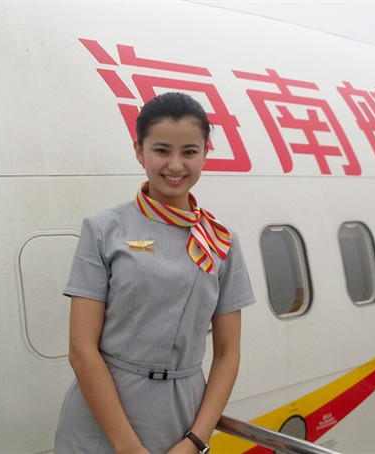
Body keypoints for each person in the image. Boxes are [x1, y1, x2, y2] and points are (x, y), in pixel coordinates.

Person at [54, 92, 256, 454]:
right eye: (162, 150)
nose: (175, 165)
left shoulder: (221, 241)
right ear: (139, 151)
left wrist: (196, 439)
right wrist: (128, 447)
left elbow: (228, 354)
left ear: (205, 153)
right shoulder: (103, 229)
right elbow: (81, 349)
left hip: (182, 419)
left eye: (189, 152)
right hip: (104, 416)